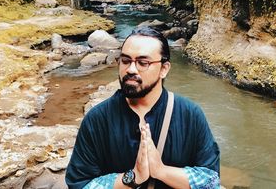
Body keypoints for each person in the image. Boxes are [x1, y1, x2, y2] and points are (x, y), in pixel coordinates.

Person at [66, 27, 220, 189]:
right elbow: (79, 183)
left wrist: (161, 171)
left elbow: (211, 180)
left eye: (143, 63)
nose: (131, 69)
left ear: (164, 69)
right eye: (125, 61)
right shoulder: (97, 119)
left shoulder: (189, 115)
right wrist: (134, 176)